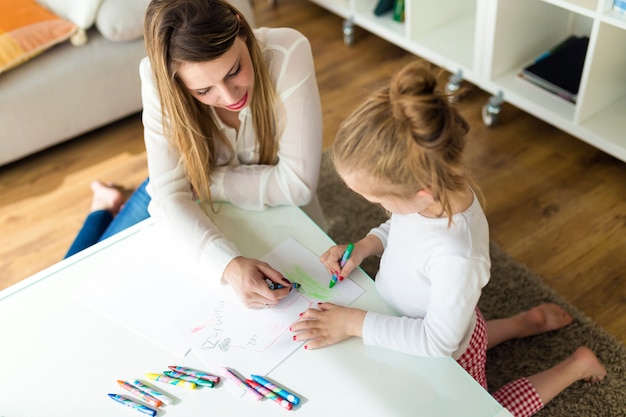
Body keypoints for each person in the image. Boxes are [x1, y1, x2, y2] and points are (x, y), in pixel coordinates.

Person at [289, 61, 606, 417]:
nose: (378, 207)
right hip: (445, 320)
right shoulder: (435, 194)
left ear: (422, 191)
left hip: (447, 347)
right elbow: (400, 226)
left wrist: (352, 323)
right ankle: (523, 323)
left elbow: (438, 341)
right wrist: (365, 246)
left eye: (378, 199)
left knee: (484, 412)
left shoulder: (459, 256)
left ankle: (575, 365)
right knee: (471, 330)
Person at [66, 0, 324, 309]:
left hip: (198, 184)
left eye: (234, 70)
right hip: (188, 187)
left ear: (241, 27)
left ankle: (105, 202)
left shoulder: (287, 50)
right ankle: (103, 204)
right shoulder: (156, 77)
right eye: (203, 92)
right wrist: (228, 265)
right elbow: (167, 196)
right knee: (74, 282)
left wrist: (206, 182)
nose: (230, 97)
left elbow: (298, 185)